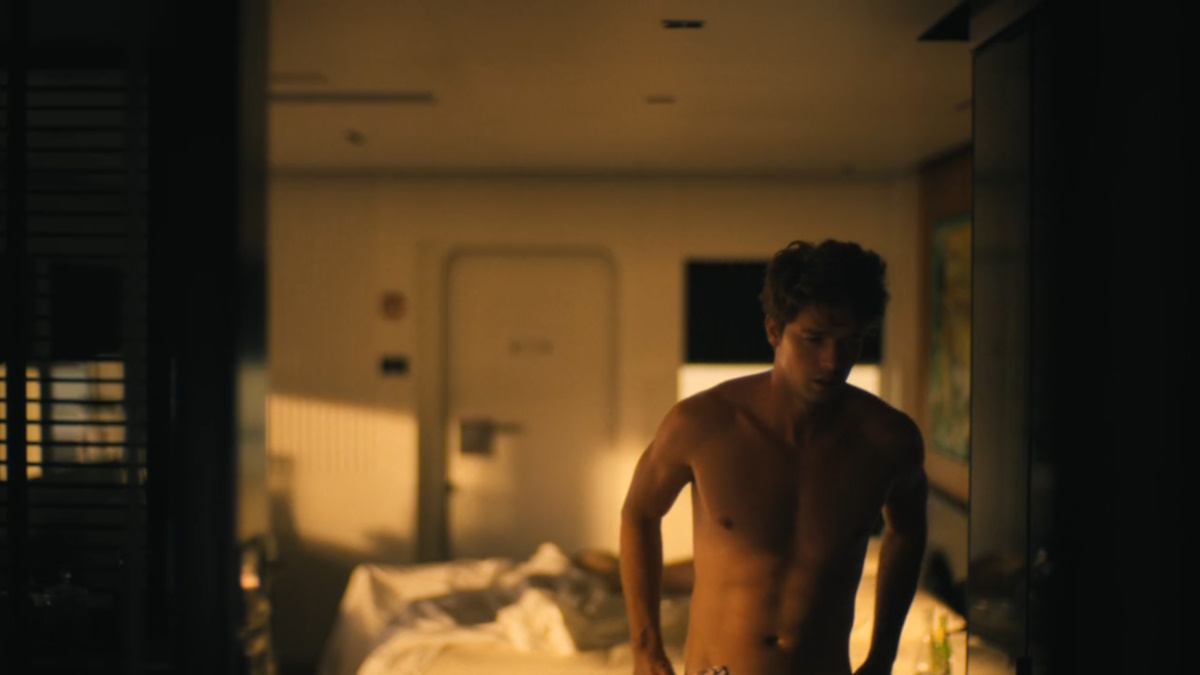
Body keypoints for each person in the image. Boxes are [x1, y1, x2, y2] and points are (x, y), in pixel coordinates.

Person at [620, 240, 928, 675]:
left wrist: (883, 654)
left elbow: (908, 532)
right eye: (814, 339)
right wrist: (646, 647)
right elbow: (639, 513)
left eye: (850, 342)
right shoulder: (703, 423)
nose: (833, 360)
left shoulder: (888, 440)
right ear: (773, 331)